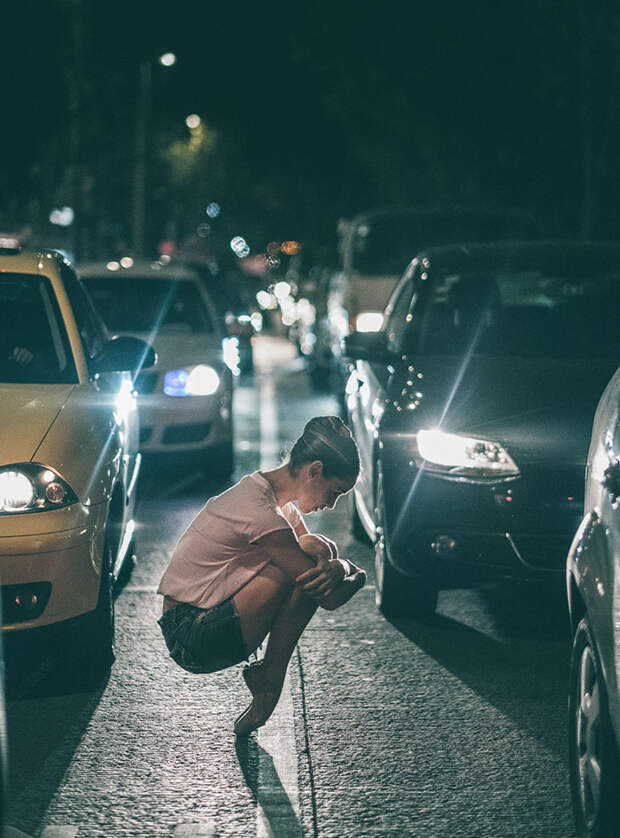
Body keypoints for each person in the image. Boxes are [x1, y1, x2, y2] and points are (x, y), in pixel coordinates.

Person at [157, 415, 366, 736]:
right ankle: (270, 681)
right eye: (335, 492)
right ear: (315, 471)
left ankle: (268, 681)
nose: (332, 504)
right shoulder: (259, 510)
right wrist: (356, 573)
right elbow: (329, 595)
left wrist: (337, 563)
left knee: (311, 555)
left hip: (208, 623)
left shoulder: (280, 507)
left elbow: (319, 561)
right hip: (190, 634)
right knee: (304, 563)